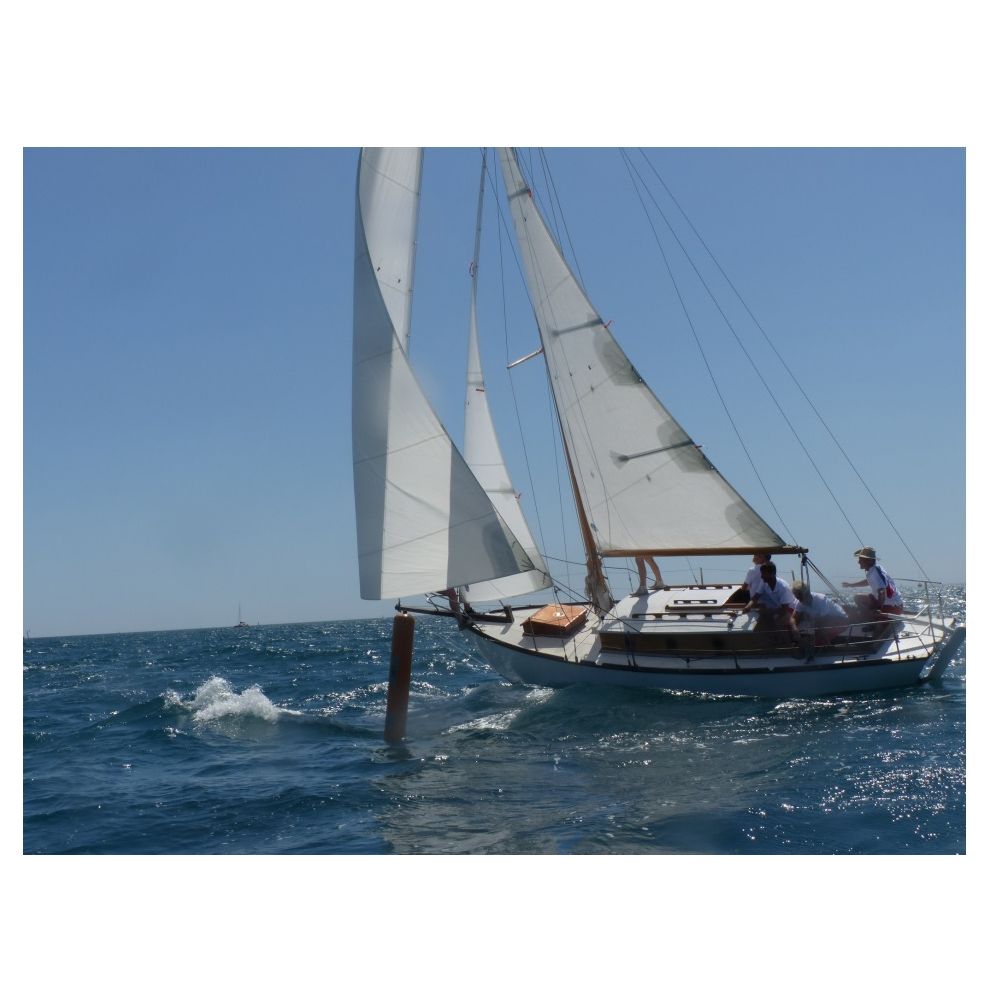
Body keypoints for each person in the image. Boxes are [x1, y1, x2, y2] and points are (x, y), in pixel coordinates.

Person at [739, 561, 799, 646]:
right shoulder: (764, 582)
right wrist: (748, 607)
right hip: (777, 608)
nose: (762, 576)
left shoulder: (783, 587)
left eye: (764, 574)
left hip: (791, 608)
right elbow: (756, 597)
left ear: (773, 573)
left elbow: (784, 610)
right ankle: (771, 645)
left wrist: (767, 612)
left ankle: (789, 645)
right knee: (760, 626)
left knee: (778, 621)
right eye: (762, 573)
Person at [842, 547, 903, 620]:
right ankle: (867, 616)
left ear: (869, 561)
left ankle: (872, 621)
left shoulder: (874, 572)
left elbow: (882, 591)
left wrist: (878, 609)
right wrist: (851, 585)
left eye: (861, 559)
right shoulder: (876, 568)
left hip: (892, 608)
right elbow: (868, 581)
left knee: (859, 599)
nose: (858, 562)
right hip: (898, 606)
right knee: (858, 598)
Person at [790, 580, 849, 646]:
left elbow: (823, 621)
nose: (799, 600)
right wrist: (795, 629)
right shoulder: (800, 602)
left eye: (800, 597)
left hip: (841, 621)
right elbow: (793, 618)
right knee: (802, 621)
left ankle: (825, 645)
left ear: (807, 593)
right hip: (823, 624)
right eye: (797, 598)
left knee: (818, 626)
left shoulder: (821, 599)